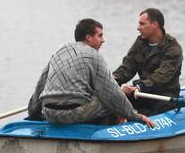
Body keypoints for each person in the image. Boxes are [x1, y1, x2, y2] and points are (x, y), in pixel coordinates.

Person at [27, 18, 155, 128]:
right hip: (71, 114)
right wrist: (136, 116)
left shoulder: (60, 50)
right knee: (111, 101)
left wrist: (33, 113)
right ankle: (102, 135)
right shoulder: (94, 55)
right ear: (88, 37)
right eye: (100, 36)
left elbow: (41, 84)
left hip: (49, 112)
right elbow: (111, 94)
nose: (103, 40)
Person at [113, 8, 183, 116]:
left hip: (164, 95)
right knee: (114, 103)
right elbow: (128, 66)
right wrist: (114, 78)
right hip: (143, 93)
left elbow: (161, 76)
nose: (138, 28)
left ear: (155, 24)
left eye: (142, 24)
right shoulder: (140, 42)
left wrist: (138, 88)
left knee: (160, 108)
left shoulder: (173, 47)